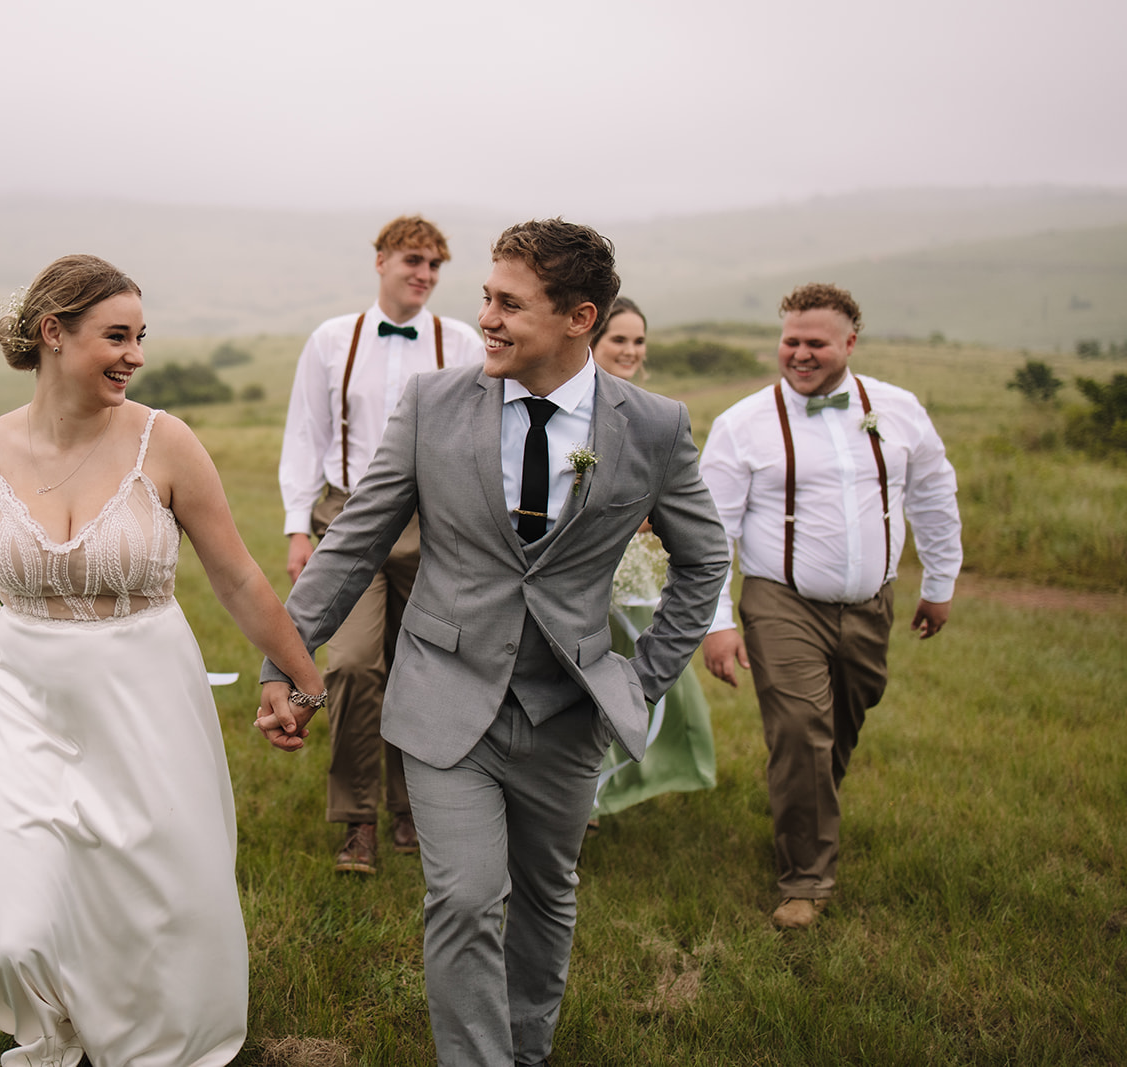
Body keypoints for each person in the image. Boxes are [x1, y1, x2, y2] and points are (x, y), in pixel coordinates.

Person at [258, 219, 730, 1066]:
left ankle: (528, 1048)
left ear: (579, 317)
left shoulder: (653, 427)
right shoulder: (434, 404)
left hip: (569, 707)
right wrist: (286, 664)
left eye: (510, 303)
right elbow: (356, 542)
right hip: (444, 693)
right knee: (467, 897)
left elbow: (704, 560)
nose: (487, 317)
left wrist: (642, 679)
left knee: (547, 898)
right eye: (486, 297)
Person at [0, 254, 324, 1067]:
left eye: (140, 337)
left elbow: (235, 574)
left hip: (146, 686)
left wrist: (304, 676)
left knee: (161, 887)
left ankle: (168, 1038)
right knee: (30, 909)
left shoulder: (166, 442)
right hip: (27, 693)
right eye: (115, 336)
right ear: (52, 334)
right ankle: (62, 1027)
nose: (134, 354)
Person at [697, 283, 962, 930]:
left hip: (872, 604)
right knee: (798, 730)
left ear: (849, 343)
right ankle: (805, 880)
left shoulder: (898, 410)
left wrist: (940, 580)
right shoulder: (743, 423)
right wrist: (719, 622)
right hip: (779, 600)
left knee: (842, 722)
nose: (801, 353)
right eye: (791, 340)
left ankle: (805, 809)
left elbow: (932, 493)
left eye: (816, 342)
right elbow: (709, 532)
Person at [279, 214, 484, 874]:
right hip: (349, 515)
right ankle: (357, 820)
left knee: (422, 667)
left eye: (433, 265)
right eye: (412, 261)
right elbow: (305, 435)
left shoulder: (462, 342)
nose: (422, 275)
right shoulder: (333, 340)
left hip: (437, 518)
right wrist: (295, 526)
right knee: (352, 664)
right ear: (381, 261)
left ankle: (412, 810)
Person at [586, 298, 716, 827]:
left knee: (632, 674)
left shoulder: (658, 414)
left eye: (639, 342)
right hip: (585, 568)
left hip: (634, 568)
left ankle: (601, 788)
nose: (631, 351)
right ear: (591, 339)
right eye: (619, 339)